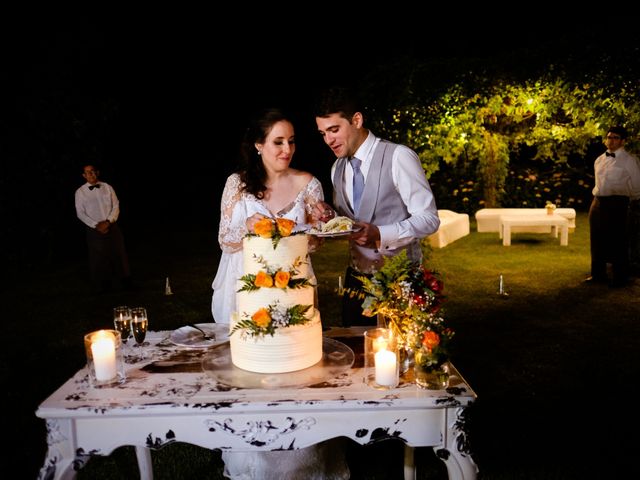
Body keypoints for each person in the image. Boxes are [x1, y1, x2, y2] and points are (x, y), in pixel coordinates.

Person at [210, 107, 349, 480]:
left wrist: (320, 221)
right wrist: (249, 228)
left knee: (298, 367)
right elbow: (225, 238)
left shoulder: (308, 182)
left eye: (291, 141)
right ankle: (249, 459)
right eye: (277, 142)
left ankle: (303, 461)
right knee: (248, 368)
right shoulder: (237, 184)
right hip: (245, 283)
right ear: (258, 145)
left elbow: (314, 244)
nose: (286, 148)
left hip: (295, 282)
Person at [313, 86, 440, 325]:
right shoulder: (336, 168)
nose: (328, 140)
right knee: (357, 356)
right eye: (322, 134)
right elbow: (352, 221)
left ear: (357, 120)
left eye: (334, 130)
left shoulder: (398, 156)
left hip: (400, 281)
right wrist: (331, 217)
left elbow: (429, 218)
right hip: (355, 284)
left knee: (402, 359)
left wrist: (381, 233)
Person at [586, 125, 640, 287]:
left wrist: (631, 200)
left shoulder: (629, 160)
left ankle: (620, 277)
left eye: (616, 137)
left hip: (618, 202)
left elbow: (637, 184)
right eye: (609, 137)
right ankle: (598, 274)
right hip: (598, 201)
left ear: (623, 141)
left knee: (618, 239)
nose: (611, 140)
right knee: (596, 238)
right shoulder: (599, 159)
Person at [75, 163, 132, 293]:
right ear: (84, 176)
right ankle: (103, 287)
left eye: (93, 171)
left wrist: (108, 221)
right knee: (99, 257)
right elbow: (80, 213)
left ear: (98, 172)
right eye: (88, 172)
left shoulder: (107, 187)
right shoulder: (80, 192)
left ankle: (126, 283)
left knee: (119, 253)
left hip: (112, 225)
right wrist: (96, 225)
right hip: (94, 229)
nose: (91, 174)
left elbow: (116, 205)